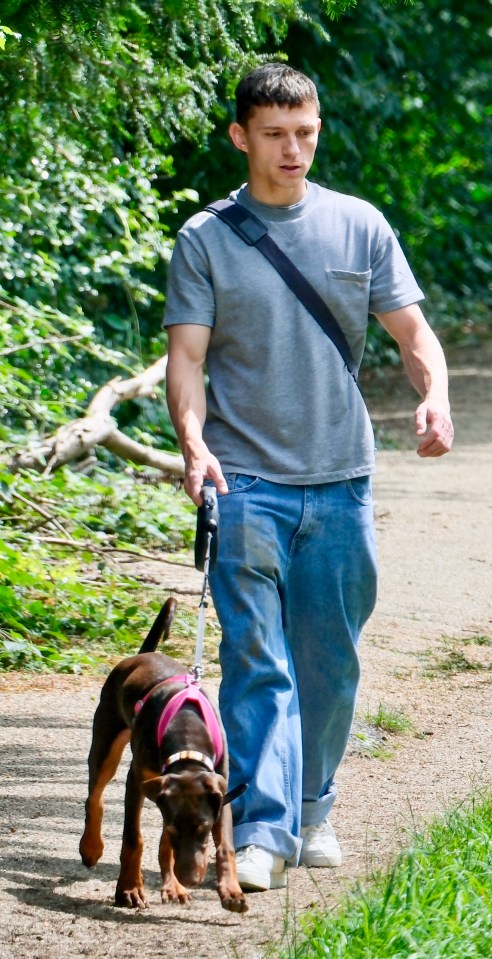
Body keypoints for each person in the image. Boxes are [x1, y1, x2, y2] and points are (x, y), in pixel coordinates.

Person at [163, 62, 454, 892]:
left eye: (307, 134)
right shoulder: (206, 238)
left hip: (340, 482)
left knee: (329, 663)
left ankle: (313, 805)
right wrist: (194, 444)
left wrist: (433, 394)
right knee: (257, 662)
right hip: (244, 479)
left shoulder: (359, 225)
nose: (294, 150)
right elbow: (185, 360)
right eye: (276, 135)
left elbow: (412, 331)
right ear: (241, 137)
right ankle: (258, 829)